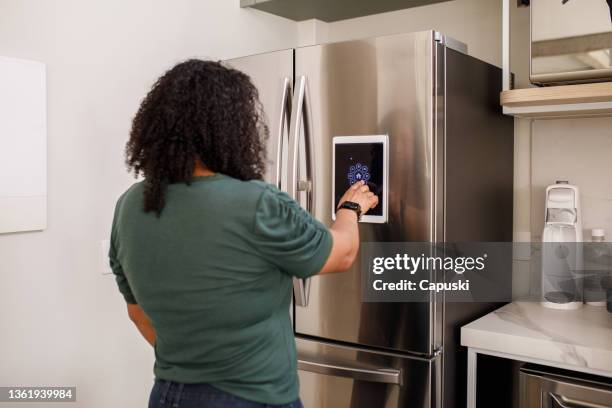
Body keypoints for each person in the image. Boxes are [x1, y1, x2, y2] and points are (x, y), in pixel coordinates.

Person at [109, 59, 378, 408]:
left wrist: (194, 365)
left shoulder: (129, 205)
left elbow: (136, 312)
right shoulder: (254, 202)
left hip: (168, 394)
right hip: (252, 397)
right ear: (230, 128)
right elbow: (341, 253)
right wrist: (350, 208)